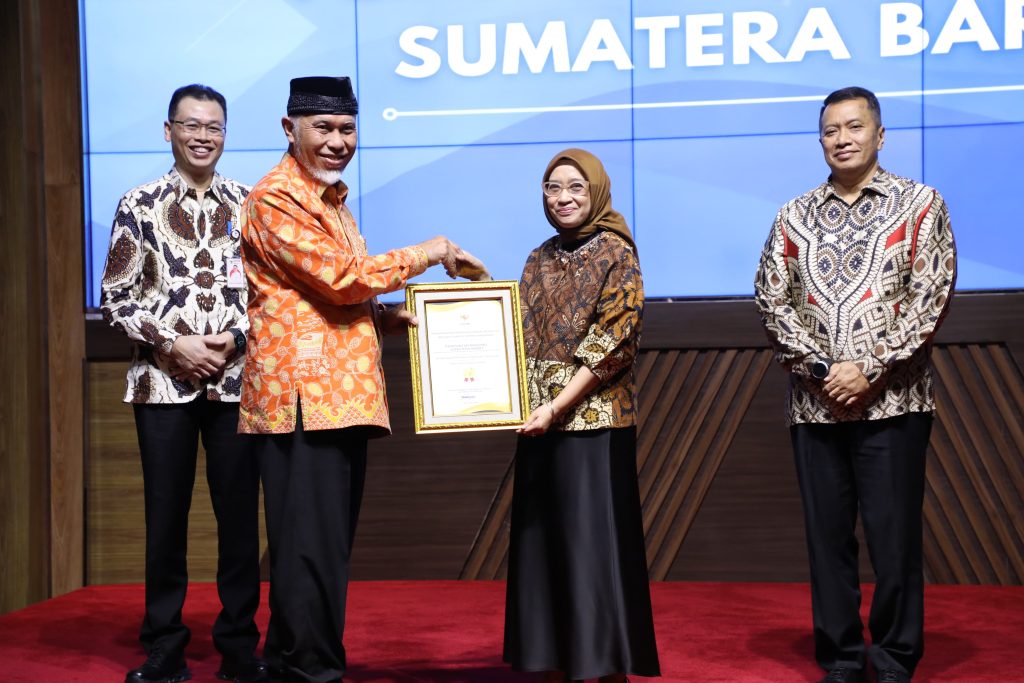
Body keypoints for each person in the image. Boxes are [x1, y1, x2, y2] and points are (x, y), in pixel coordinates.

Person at [238, 75, 488, 683]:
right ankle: (311, 671)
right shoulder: (276, 198)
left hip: (339, 400)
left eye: (347, 129)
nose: (337, 141)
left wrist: (384, 318)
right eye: (323, 128)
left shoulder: (332, 202)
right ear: (289, 128)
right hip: (303, 401)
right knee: (311, 550)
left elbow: (320, 297)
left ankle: (286, 662)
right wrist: (432, 251)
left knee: (318, 547)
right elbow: (343, 278)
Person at [754, 86, 957, 683]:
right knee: (828, 542)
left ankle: (894, 658)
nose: (841, 139)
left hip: (895, 402)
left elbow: (931, 296)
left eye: (854, 127)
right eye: (830, 131)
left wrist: (870, 366)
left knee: (895, 541)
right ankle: (841, 658)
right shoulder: (792, 215)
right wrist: (822, 370)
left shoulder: (921, 205)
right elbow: (771, 299)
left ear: (880, 135)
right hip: (815, 406)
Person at [100, 84, 263, 683]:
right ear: (168, 131)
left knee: (239, 519)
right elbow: (116, 298)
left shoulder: (250, 204)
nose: (202, 136)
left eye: (213, 127)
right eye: (191, 125)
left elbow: (268, 295)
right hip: (161, 385)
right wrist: (173, 344)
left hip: (235, 382)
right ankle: (164, 644)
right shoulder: (138, 204)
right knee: (164, 519)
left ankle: (239, 647)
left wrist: (235, 338)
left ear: (225, 134)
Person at [503, 148, 661, 683]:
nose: (563, 198)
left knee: (592, 548)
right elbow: (517, 328)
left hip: (593, 423)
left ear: (596, 191)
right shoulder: (538, 256)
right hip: (538, 424)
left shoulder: (617, 252)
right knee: (544, 543)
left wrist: (557, 405)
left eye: (576, 187)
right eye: (553, 188)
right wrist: (480, 284)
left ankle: (603, 666)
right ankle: (553, 661)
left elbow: (612, 343)